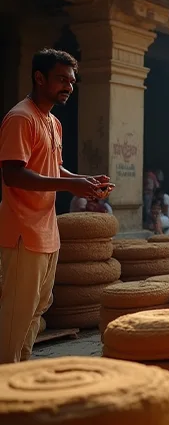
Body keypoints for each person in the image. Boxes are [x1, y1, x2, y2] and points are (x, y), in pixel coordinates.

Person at [0, 49, 108, 363]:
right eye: (61, 79)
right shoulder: (21, 117)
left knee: (37, 309)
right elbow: (12, 172)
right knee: (16, 315)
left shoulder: (53, 122)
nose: (69, 87)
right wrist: (70, 185)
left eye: (72, 81)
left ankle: (20, 374)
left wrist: (85, 180)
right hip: (22, 231)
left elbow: (53, 169)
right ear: (39, 77)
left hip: (46, 230)